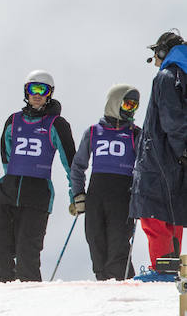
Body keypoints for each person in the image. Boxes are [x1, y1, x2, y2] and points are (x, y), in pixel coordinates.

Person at [0, 70, 75, 282]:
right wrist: (11, 179)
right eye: (32, 89)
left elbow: (70, 162)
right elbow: (5, 156)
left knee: (27, 251)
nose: (37, 94)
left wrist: (77, 193)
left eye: (42, 90)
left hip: (37, 193)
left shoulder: (56, 124)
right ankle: (2, 295)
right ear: (26, 92)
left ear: (50, 94)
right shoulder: (14, 120)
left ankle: (29, 299)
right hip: (9, 191)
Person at [129, 30, 187, 282]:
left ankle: (163, 269)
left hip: (161, 156)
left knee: (153, 212)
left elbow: (172, 119)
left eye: (155, 54)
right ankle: (171, 267)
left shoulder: (166, 76)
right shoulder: (183, 75)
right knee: (172, 210)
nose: (155, 61)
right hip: (176, 157)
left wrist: (181, 147)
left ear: (164, 51)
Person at [70, 84, 141, 280]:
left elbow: (144, 167)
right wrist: (78, 194)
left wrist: (139, 195)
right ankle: (103, 287)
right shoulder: (94, 132)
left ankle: (124, 288)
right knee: (95, 241)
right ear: (114, 103)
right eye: (127, 105)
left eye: (134, 106)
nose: (131, 110)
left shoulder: (136, 134)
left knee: (118, 245)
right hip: (96, 195)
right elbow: (78, 166)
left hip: (122, 195)